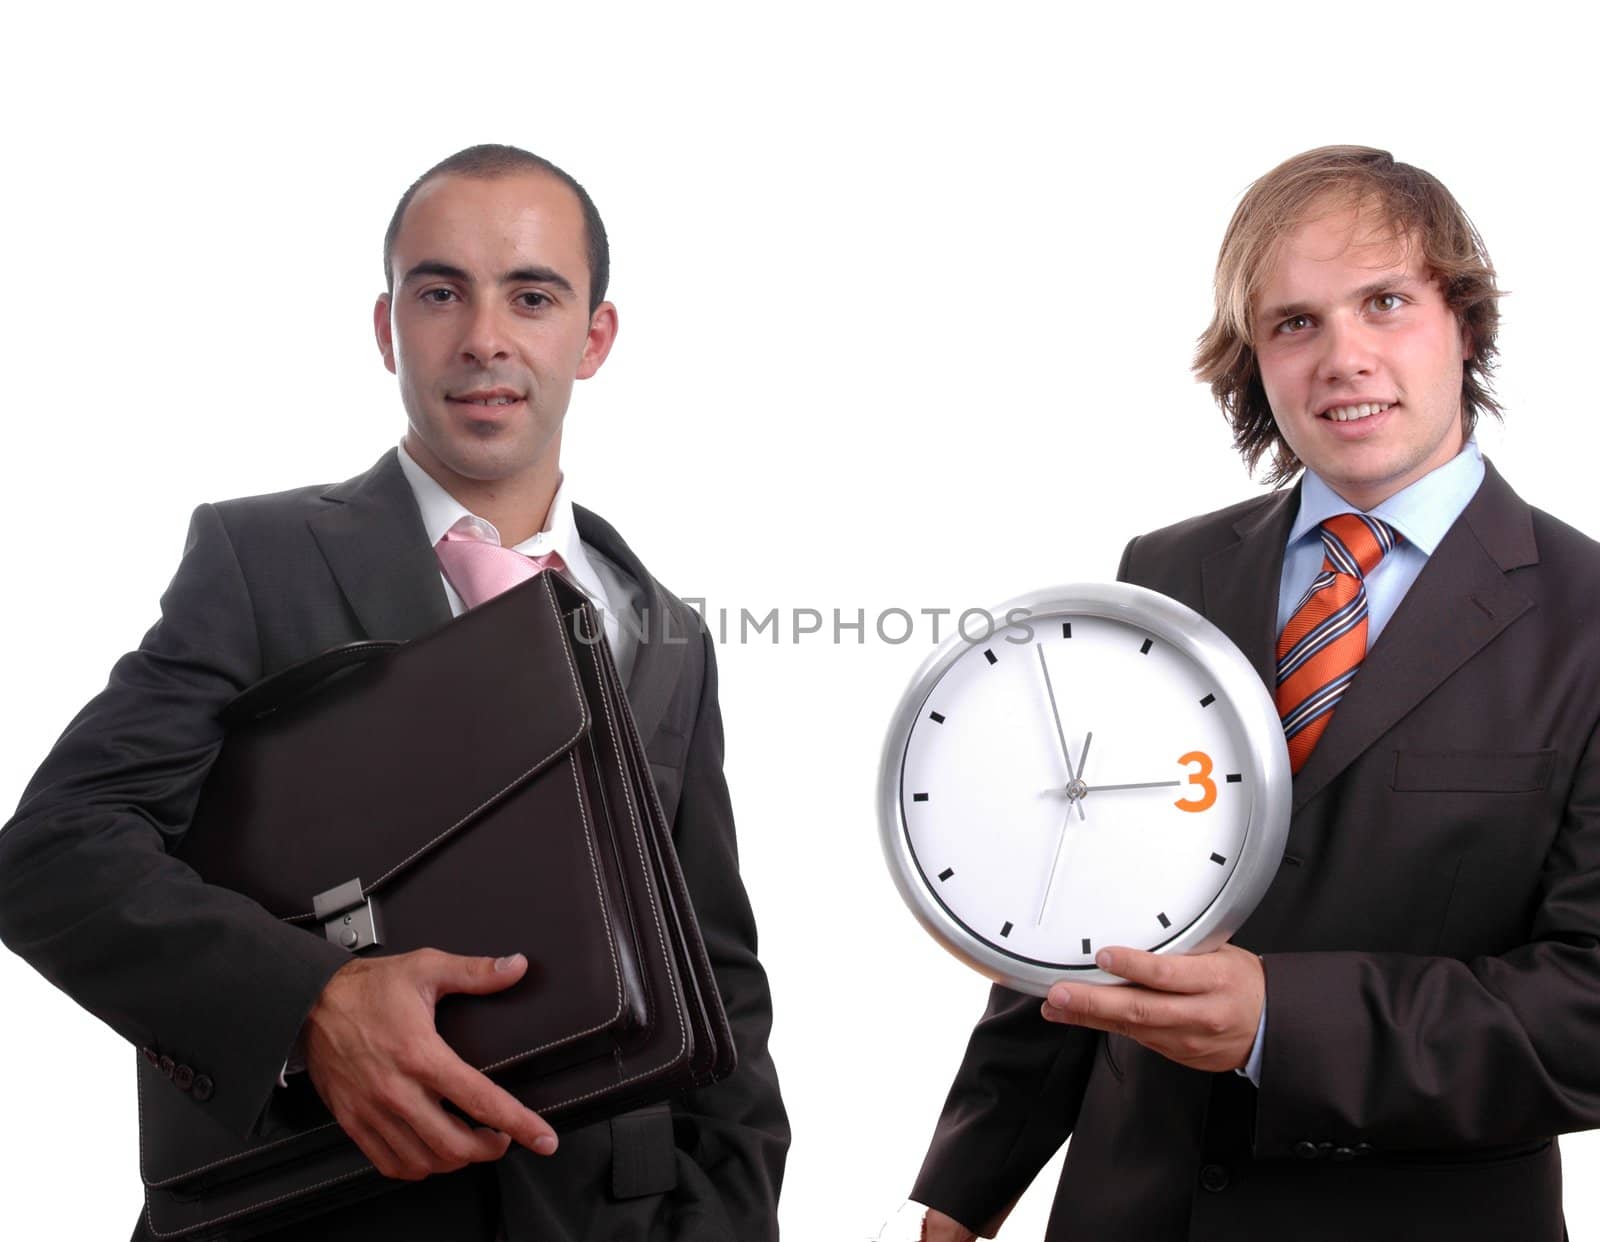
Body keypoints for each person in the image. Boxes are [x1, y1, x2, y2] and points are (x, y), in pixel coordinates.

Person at [0, 144, 788, 1242]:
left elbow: (719, 980)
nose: (483, 339)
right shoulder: (259, 557)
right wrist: (309, 1000)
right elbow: (56, 850)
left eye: (531, 295)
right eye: (439, 293)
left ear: (593, 336)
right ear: (386, 327)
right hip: (324, 1208)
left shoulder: (666, 629)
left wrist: (720, 1220)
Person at [912, 145, 1600, 1241]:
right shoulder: (1166, 574)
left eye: (1384, 302)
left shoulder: (1587, 617)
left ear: (1465, 322)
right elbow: (1074, 882)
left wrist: (1281, 1022)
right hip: (1132, 1211)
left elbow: (1587, 1009)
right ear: (1252, 360)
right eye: (1294, 323)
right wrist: (967, 1184)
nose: (1343, 357)